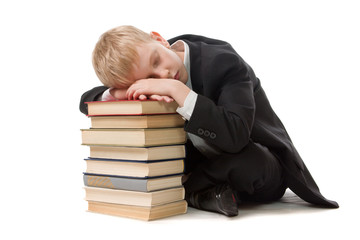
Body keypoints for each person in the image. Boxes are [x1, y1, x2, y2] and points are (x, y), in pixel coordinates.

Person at [79, 25, 339, 217]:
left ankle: (193, 190)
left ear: (159, 39)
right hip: (198, 161)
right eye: (150, 77)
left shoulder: (223, 62)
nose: (164, 74)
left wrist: (179, 92)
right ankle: (206, 192)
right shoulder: (142, 68)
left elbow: (237, 135)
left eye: (157, 61)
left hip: (256, 159)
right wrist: (120, 93)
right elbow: (86, 101)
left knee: (254, 162)